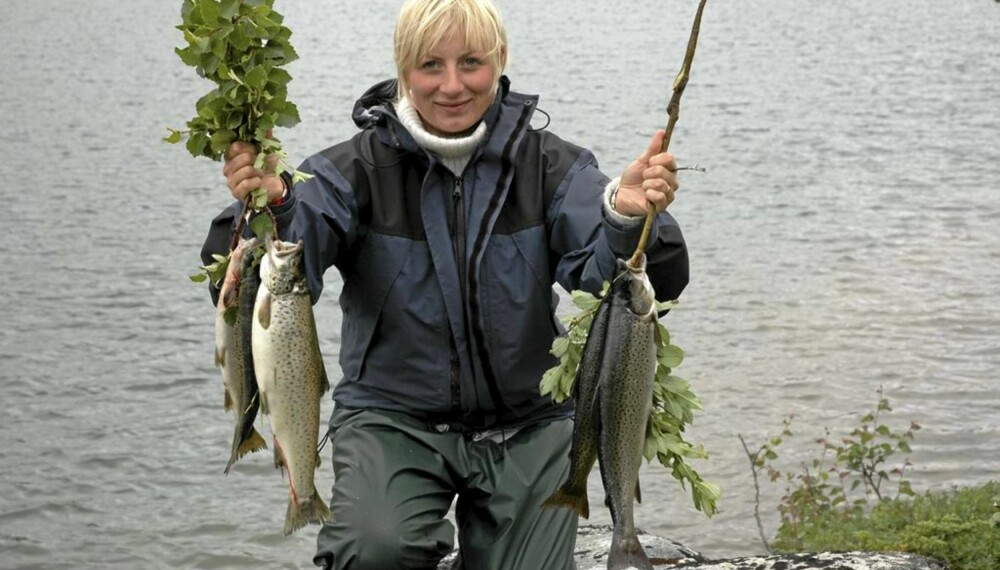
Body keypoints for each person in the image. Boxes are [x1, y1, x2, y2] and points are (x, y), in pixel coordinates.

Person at [203, 0, 689, 568]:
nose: (452, 85)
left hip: (530, 420)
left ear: (500, 61)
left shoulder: (553, 168)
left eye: (472, 63)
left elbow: (644, 277)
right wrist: (274, 202)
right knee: (372, 551)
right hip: (392, 418)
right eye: (431, 65)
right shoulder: (352, 171)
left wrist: (629, 220)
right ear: (403, 69)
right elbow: (273, 264)